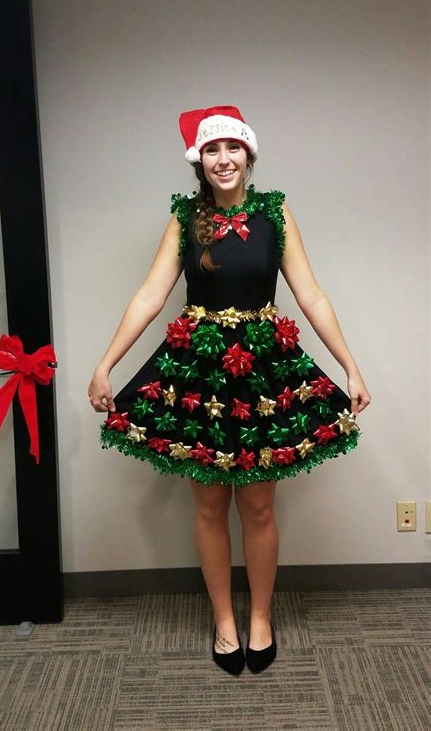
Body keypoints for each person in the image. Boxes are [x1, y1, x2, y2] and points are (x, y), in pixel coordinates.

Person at [88, 104, 371, 676]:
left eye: (233, 148)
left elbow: (311, 294)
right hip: (200, 375)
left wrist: (350, 366)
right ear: (199, 160)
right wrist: (106, 364)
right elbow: (149, 295)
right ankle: (224, 620)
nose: (224, 159)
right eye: (211, 150)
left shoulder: (274, 212)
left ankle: (260, 616)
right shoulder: (185, 218)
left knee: (260, 505)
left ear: (249, 154)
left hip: (264, 372)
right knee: (210, 504)